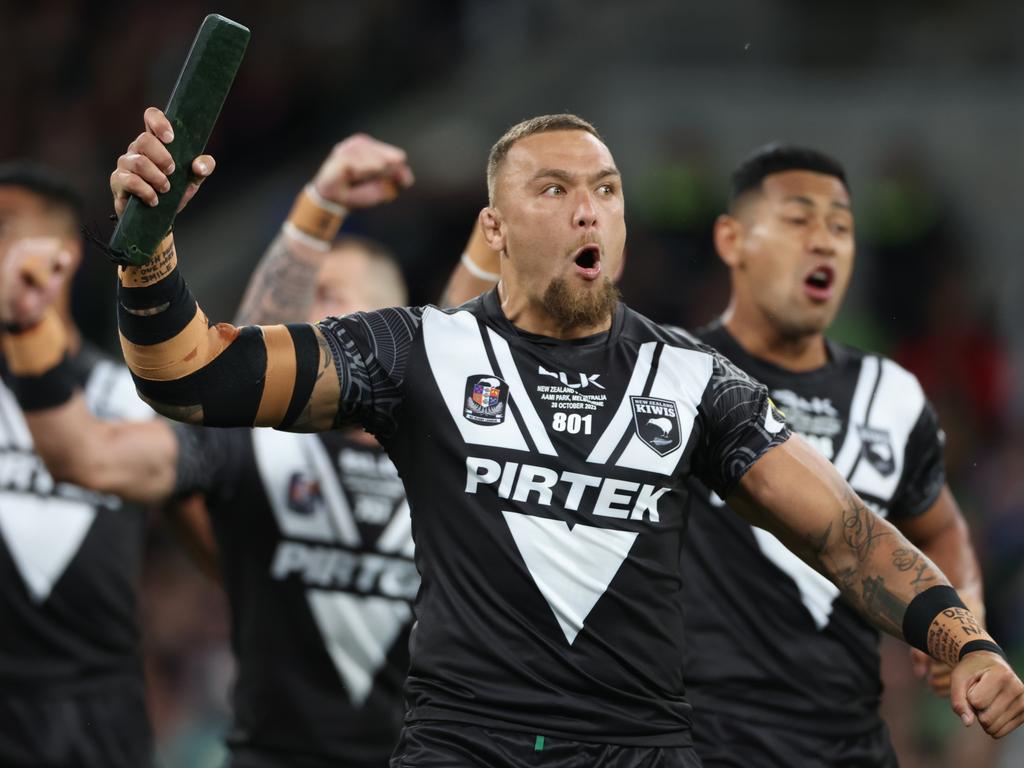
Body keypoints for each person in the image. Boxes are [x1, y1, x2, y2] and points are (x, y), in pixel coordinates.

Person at [57, 108, 1024, 765]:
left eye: (603, 187)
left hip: (640, 746)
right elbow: (191, 376)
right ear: (494, 227)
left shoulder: (690, 378)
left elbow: (843, 533)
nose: (589, 207)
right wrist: (150, 250)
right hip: (460, 742)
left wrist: (960, 635)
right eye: (554, 189)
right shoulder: (418, 351)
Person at [0, 135, 418, 768]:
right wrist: (34, 330)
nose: (308, 317)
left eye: (328, 297)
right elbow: (91, 454)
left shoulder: (451, 449)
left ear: (388, 323)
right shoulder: (249, 453)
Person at [673, 144, 991, 766]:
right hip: (697, 739)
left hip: (848, 741)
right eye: (798, 220)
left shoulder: (892, 395)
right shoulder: (669, 371)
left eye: (841, 226)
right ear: (732, 240)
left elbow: (942, 525)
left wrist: (963, 623)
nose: (824, 242)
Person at [0, 163, 157, 768]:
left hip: (99, 714)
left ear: (64, 254)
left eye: (3, 228)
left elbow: (212, 528)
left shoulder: (131, 401)